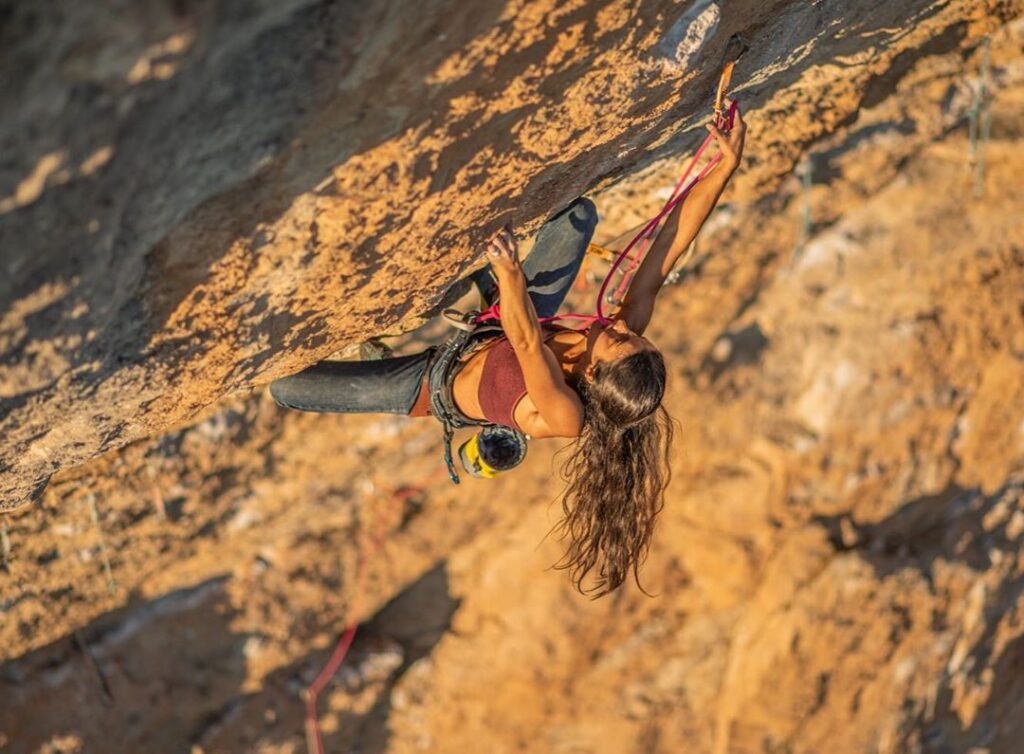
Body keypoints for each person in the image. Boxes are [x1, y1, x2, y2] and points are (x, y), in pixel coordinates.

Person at [271, 109, 747, 595]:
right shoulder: (620, 339)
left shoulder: (564, 414)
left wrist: (510, 272)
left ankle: (425, 330)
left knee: (286, 387)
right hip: (494, 331)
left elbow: (526, 344)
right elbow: (666, 250)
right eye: (635, 337)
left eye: (623, 341)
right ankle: (483, 294)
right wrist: (723, 167)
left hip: (433, 382)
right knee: (578, 218)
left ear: (599, 373)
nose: (623, 328)